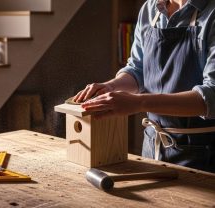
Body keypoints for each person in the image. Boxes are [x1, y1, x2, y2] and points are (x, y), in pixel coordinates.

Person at [73, 0, 215, 172]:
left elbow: (210, 96)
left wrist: (139, 103)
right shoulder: (150, 9)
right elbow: (138, 70)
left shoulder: (211, 13)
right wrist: (111, 86)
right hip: (152, 147)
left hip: (202, 153)